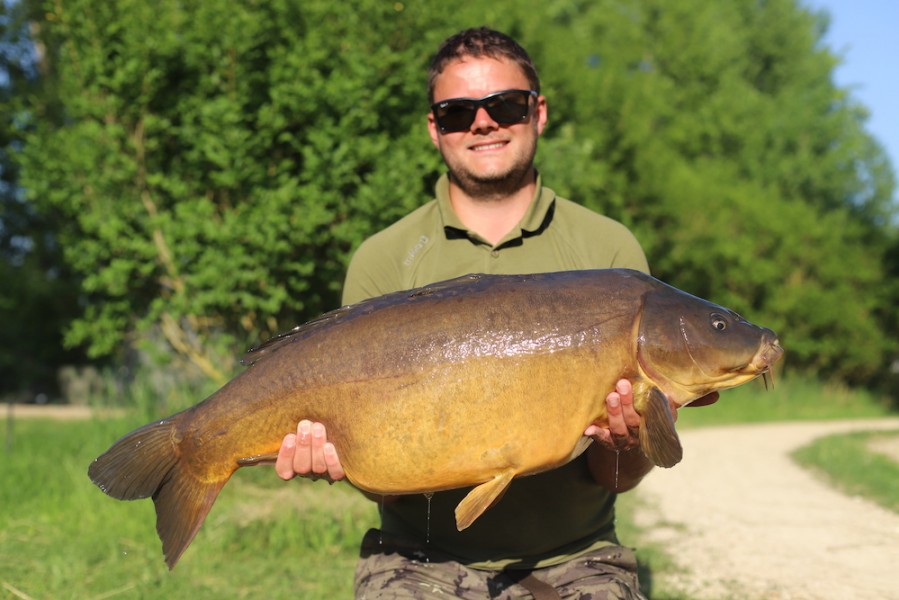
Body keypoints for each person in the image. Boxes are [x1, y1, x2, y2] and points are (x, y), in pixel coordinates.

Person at [275, 27, 717, 599]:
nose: (483, 123)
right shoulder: (384, 257)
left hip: (575, 556)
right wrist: (338, 455)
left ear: (539, 112)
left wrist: (627, 443)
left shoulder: (608, 254)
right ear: (435, 128)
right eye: (458, 112)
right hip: (417, 559)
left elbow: (617, 480)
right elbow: (383, 485)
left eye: (505, 105)